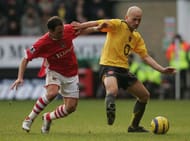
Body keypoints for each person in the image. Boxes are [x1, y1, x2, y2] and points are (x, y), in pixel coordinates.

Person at [73, 6, 176, 132]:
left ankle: (134, 126)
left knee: (144, 95)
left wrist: (162, 69)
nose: (137, 22)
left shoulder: (137, 37)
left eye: (139, 20)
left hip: (124, 70)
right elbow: (98, 22)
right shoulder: (118, 25)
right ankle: (110, 109)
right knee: (113, 90)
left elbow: (146, 57)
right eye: (134, 19)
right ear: (126, 18)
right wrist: (81, 26)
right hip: (108, 66)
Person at [10, 16, 100, 133]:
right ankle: (29, 119)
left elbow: (82, 29)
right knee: (52, 93)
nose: (62, 33)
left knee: (71, 108)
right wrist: (20, 77)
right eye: (59, 32)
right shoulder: (42, 43)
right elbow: (25, 58)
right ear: (51, 32)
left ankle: (48, 117)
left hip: (72, 73)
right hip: (55, 71)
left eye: (62, 30)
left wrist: (97, 28)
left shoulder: (67, 30)